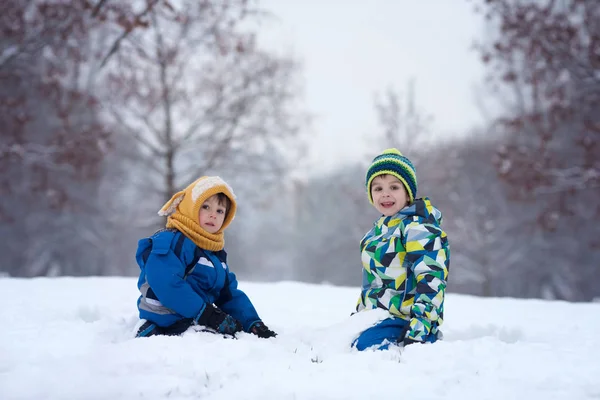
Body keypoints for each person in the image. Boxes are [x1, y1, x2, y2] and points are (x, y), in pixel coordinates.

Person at [134, 175, 276, 339]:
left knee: (228, 336)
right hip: (164, 312)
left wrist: (251, 323)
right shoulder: (172, 241)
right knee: (217, 339)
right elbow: (166, 282)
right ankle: (152, 329)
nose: (213, 215)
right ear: (191, 207)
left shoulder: (214, 253)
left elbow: (228, 294)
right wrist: (206, 314)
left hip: (195, 315)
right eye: (206, 207)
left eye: (220, 211)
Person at [353, 148, 450, 351]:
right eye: (378, 188)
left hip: (406, 320)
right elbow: (371, 285)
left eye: (394, 187)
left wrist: (420, 328)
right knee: (337, 345)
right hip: (378, 317)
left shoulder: (418, 228)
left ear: (408, 193)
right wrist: (358, 318)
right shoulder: (375, 234)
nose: (385, 193)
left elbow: (431, 279)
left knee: (363, 349)